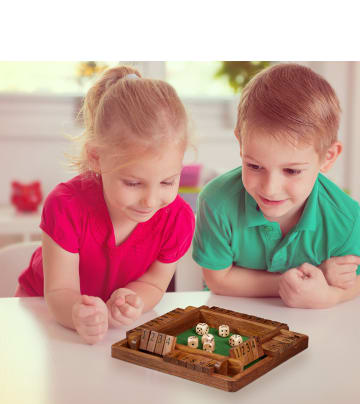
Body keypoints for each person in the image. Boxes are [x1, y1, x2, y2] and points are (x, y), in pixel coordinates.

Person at [16, 65, 195, 343]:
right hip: (39, 317)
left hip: (108, 332)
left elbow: (155, 283)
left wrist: (134, 299)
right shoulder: (66, 206)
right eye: (133, 183)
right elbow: (59, 292)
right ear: (96, 157)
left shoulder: (178, 220)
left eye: (168, 182)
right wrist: (76, 312)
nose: (150, 200)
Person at [192, 63, 360, 309]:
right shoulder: (217, 201)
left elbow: (355, 279)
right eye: (255, 166)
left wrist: (330, 296)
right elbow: (218, 279)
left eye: (291, 171)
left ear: (328, 157)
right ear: (241, 143)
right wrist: (310, 278)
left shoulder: (347, 219)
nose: (270, 189)